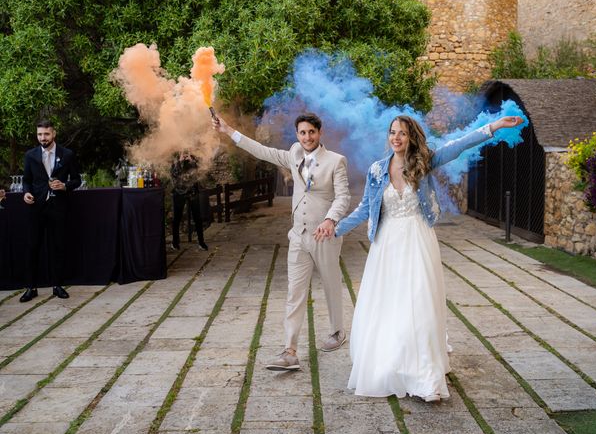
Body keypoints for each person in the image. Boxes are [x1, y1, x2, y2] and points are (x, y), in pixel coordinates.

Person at [334, 114, 524, 401]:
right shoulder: (377, 170)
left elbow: (458, 146)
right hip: (386, 246)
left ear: (411, 138)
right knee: (389, 305)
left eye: (402, 133)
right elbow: (364, 209)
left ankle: (425, 376)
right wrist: (335, 228)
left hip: (418, 240)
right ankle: (391, 363)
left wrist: (493, 127)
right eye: (392, 132)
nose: (396, 137)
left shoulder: (424, 163)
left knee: (419, 302)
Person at [214, 112, 350, 370]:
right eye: (302, 133)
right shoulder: (294, 154)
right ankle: (290, 351)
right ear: (297, 135)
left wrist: (331, 219)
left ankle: (337, 331)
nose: (307, 137)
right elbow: (261, 151)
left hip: (325, 236)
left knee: (331, 285)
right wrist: (229, 129)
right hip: (298, 236)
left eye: (311, 132)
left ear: (319, 133)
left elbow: (342, 197)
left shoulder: (336, 161)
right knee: (294, 293)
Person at [21, 120, 81, 303]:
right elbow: (26, 180)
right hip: (36, 208)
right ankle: (31, 288)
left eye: (46, 134)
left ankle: (57, 286)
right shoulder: (30, 155)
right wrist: (26, 193)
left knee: (58, 247)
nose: (42, 138)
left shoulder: (67, 154)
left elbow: (76, 180)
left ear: (53, 134)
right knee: (33, 247)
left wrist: (64, 186)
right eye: (39, 134)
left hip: (58, 208)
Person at [170, 151, 208, 251]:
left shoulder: (194, 160)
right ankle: (175, 242)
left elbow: (198, 174)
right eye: (184, 153)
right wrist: (179, 161)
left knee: (197, 218)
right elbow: (174, 175)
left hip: (192, 192)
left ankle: (201, 242)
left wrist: (192, 162)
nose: (186, 154)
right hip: (179, 192)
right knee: (177, 219)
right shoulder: (175, 161)